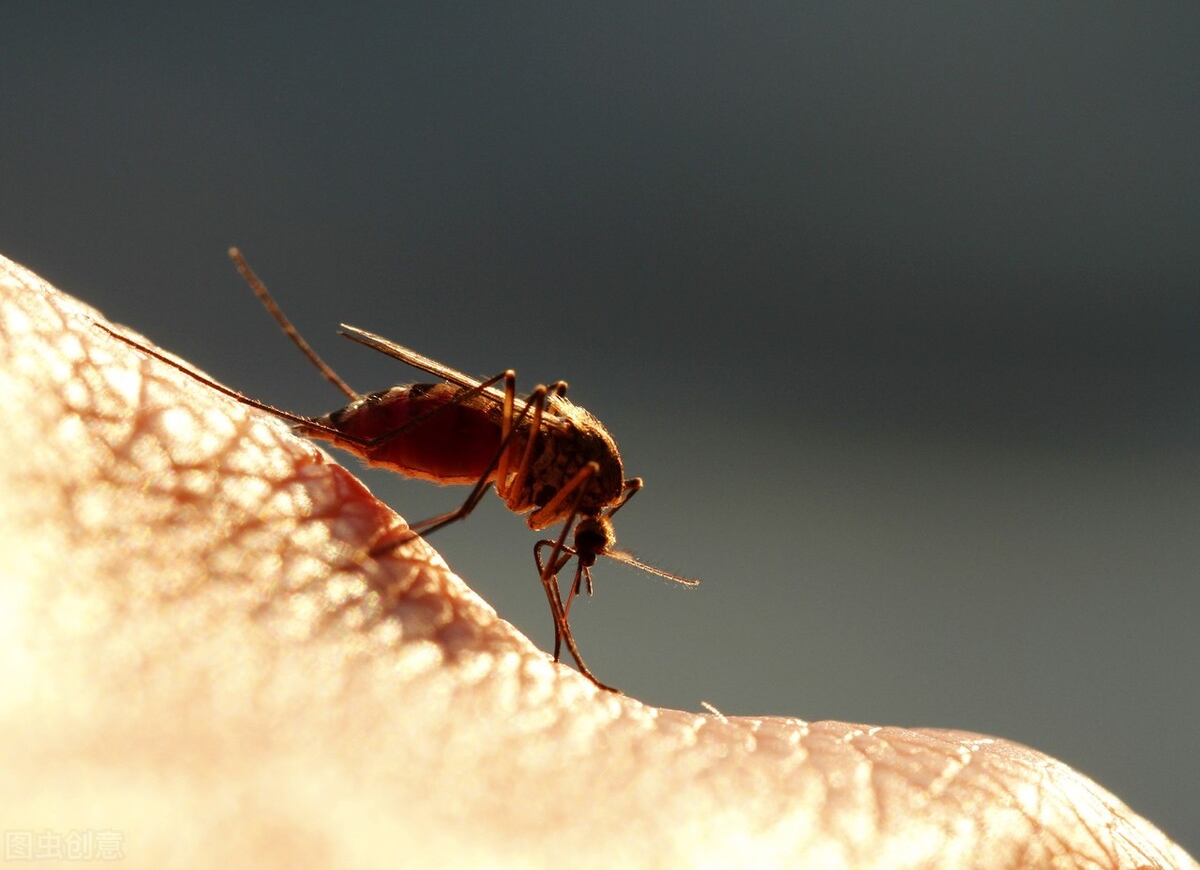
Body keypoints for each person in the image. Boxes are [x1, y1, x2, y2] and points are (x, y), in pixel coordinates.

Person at [0, 252, 1192, 868]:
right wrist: (455, 491)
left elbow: (547, 484)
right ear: (593, 506)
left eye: (581, 548)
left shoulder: (582, 491)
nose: (576, 553)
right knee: (479, 445)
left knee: (466, 445)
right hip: (468, 431)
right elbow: (529, 429)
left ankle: (306, 413)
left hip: (478, 436)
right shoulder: (571, 474)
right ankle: (309, 414)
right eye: (586, 545)